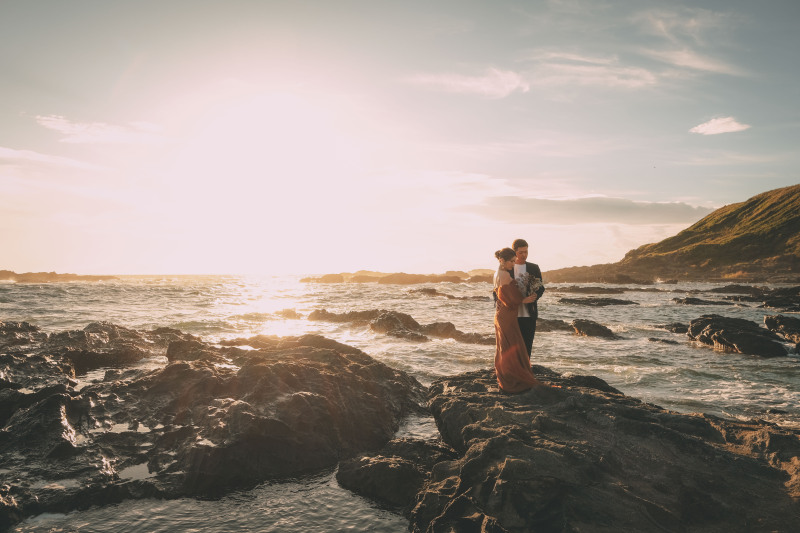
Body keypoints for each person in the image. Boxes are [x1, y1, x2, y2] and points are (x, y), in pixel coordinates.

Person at [493, 247, 541, 393]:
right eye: (512, 261)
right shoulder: (505, 276)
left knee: (503, 347)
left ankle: (504, 377)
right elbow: (511, 300)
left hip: (499, 314)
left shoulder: (496, 274)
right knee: (511, 347)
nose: (513, 264)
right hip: (507, 315)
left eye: (514, 261)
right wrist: (525, 300)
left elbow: (501, 297)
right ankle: (512, 380)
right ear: (502, 260)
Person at [511, 238, 545, 358]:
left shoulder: (534, 267)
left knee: (527, 346)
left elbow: (541, 288)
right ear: (514, 252)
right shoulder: (509, 268)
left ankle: (525, 372)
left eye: (526, 252)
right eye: (521, 252)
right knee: (512, 347)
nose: (524, 255)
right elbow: (499, 290)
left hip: (529, 313)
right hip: (512, 314)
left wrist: (535, 296)